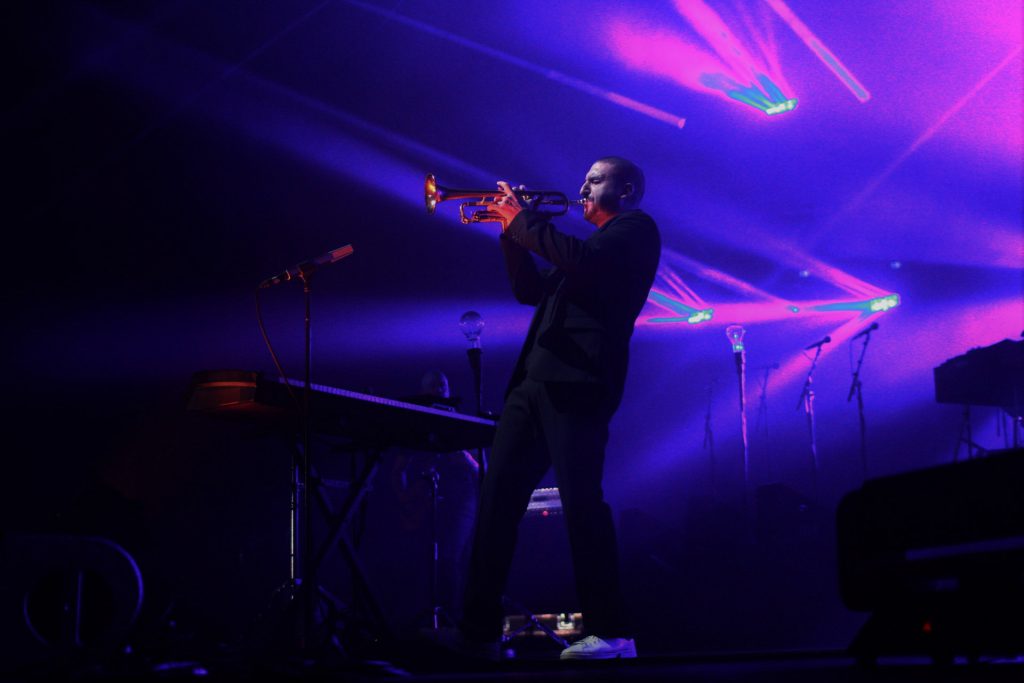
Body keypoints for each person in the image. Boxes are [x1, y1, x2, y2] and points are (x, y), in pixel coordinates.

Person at [455, 157, 661, 660]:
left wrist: (523, 221)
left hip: (580, 384)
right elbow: (529, 290)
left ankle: (614, 633)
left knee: (582, 505)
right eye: (584, 179)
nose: (582, 188)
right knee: (497, 504)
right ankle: (478, 633)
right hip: (533, 384)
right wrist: (509, 233)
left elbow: (582, 264)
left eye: (595, 180)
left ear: (626, 189)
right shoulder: (584, 249)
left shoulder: (634, 231)